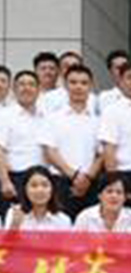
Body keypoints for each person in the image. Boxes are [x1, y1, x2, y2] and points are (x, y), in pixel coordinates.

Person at [40, 65, 102, 217]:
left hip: (90, 183)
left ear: (91, 86)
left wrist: (87, 178)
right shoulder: (53, 118)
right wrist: (73, 175)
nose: (78, 87)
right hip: (60, 181)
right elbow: (50, 151)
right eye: (73, 82)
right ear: (65, 85)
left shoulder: (99, 121)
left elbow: (101, 154)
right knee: (60, 226)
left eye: (83, 83)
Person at [98, 61, 131, 208]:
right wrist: (114, 183)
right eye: (129, 77)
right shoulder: (112, 111)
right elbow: (109, 149)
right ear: (121, 81)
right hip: (124, 175)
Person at [0, 71, 45, 219]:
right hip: (15, 180)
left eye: (31, 84)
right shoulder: (5, 115)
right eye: (22, 84)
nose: (27, 88)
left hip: (42, 180)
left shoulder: (46, 115)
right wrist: (5, 181)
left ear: (38, 89)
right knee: (15, 224)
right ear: (14, 89)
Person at [4, 166, 71, 231]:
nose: (39, 190)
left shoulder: (63, 220)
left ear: (52, 189)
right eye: (34, 185)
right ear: (25, 189)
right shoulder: (13, 213)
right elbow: (6, 239)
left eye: (45, 185)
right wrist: (14, 225)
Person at [98, 50, 130, 114]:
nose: (122, 71)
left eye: (125, 67)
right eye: (118, 68)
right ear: (111, 72)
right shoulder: (104, 98)